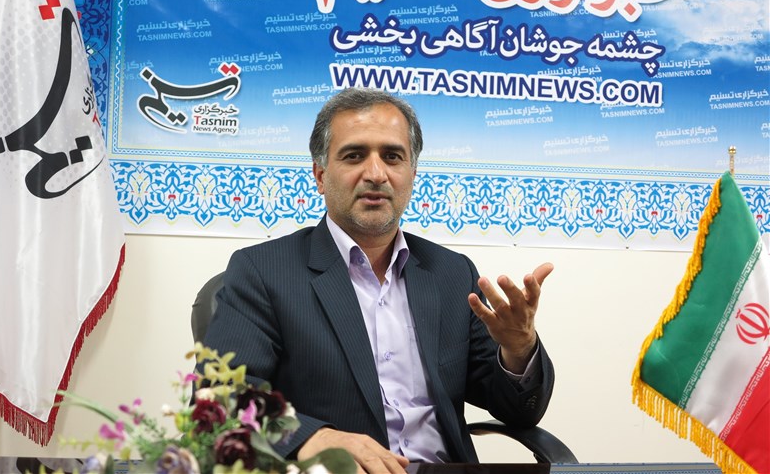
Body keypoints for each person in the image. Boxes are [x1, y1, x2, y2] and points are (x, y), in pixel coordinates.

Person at [202, 87, 555, 473]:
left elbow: (517, 411)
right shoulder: (263, 271)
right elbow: (219, 401)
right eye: (354, 156)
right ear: (320, 175)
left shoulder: (452, 273)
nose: (375, 174)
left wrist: (519, 350)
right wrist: (310, 437)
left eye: (392, 156)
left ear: (412, 174)